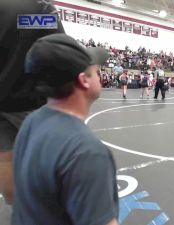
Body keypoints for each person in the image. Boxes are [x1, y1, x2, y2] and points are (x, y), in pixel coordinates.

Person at [12, 34, 118, 225]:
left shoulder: (32, 122)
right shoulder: (86, 153)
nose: (99, 74)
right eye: (95, 71)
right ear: (84, 80)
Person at [0, 0, 65, 219]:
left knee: (5, 160)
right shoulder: (39, 8)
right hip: (34, 103)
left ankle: (19, 211)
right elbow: (60, 49)